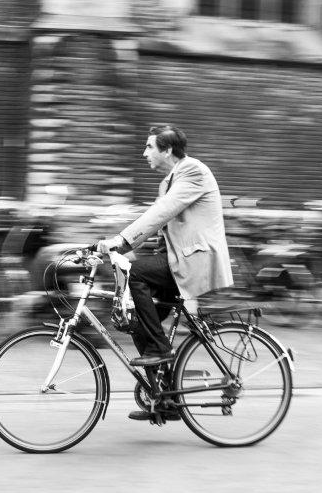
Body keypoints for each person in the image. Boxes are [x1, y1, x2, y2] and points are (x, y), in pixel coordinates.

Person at [96, 125, 233, 421]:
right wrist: (114, 250)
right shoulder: (169, 181)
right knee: (136, 322)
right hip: (175, 259)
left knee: (136, 275)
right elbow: (159, 228)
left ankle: (160, 349)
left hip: (197, 259)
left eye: (149, 147)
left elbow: (162, 212)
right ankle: (165, 399)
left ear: (167, 150)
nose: (144, 153)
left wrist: (120, 240)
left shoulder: (192, 171)